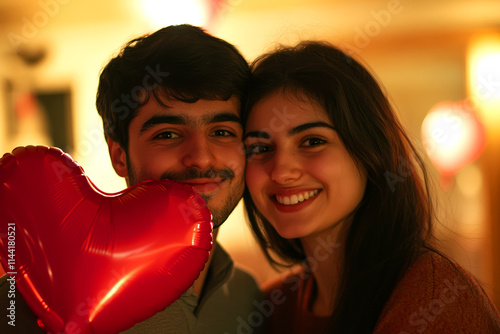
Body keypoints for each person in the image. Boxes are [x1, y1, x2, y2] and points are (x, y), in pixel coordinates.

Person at [0, 24, 262, 333]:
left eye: (222, 132)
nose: (202, 158)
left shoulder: (249, 296)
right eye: (167, 134)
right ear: (119, 155)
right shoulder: (22, 303)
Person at [242, 41, 500, 333]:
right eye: (261, 147)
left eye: (312, 141)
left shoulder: (433, 296)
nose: (281, 171)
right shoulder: (272, 307)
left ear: (369, 152)